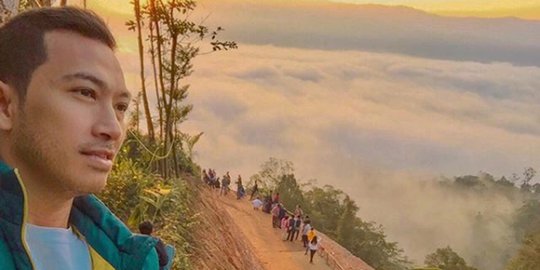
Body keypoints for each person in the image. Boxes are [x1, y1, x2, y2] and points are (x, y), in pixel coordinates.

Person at [0, 7, 171, 270]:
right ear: (4, 106)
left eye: (121, 107)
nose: (113, 129)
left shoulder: (129, 260)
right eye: (86, 93)